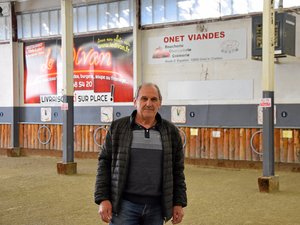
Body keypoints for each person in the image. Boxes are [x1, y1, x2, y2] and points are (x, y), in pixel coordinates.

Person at [94, 83, 187, 225]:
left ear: (160, 103)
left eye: (154, 99)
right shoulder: (118, 128)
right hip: (124, 206)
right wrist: (103, 198)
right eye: (144, 99)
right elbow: (104, 164)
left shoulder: (172, 132)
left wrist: (178, 202)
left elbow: (177, 171)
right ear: (135, 102)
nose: (149, 103)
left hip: (156, 208)